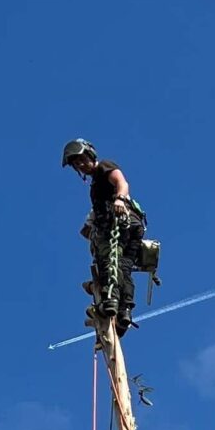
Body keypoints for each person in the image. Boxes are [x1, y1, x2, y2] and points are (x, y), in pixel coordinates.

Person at [61, 138, 158, 334]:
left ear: (90, 155)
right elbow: (86, 229)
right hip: (131, 226)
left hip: (122, 222)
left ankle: (111, 301)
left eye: (81, 160)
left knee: (109, 262)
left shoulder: (104, 167)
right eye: (75, 164)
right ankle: (125, 312)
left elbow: (121, 181)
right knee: (123, 267)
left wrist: (120, 199)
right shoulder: (96, 188)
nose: (80, 165)